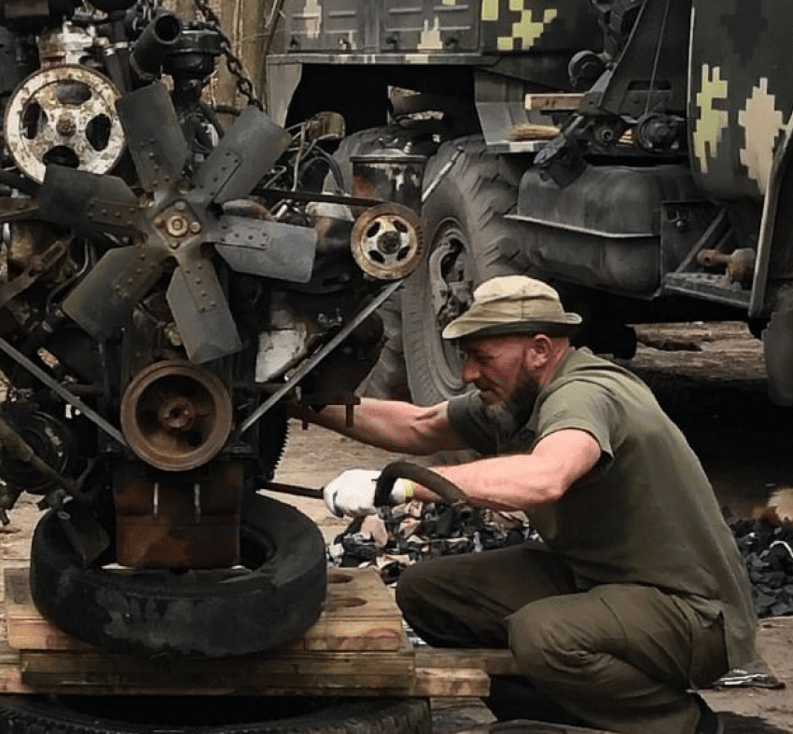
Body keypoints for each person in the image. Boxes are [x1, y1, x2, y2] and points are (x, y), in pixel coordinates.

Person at [292, 275, 757, 734]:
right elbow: (419, 426)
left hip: (693, 614)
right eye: (465, 356)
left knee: (544, 635)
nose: (468, 373)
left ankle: (690, 726)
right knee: (428, 592)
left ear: (539, 350)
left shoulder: (585, 394)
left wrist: (403, 486)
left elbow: (546, 478)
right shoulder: (518, 397)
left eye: (482, 357)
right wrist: (294, 400)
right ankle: (564, 709)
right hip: (597, 581)